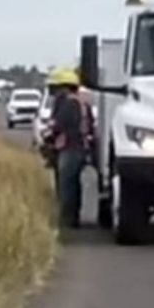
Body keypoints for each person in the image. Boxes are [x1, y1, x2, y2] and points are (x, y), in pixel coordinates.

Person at [48, 66, 93, 229]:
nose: (52, 92)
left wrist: (49, 136)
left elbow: (59, 125)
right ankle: (73, 217)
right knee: (74, 184)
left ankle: (67, 220)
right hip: (80, 147)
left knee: (66, 185)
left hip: (69, 148)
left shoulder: (67, 103)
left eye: (54, 87)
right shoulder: (82, 102)